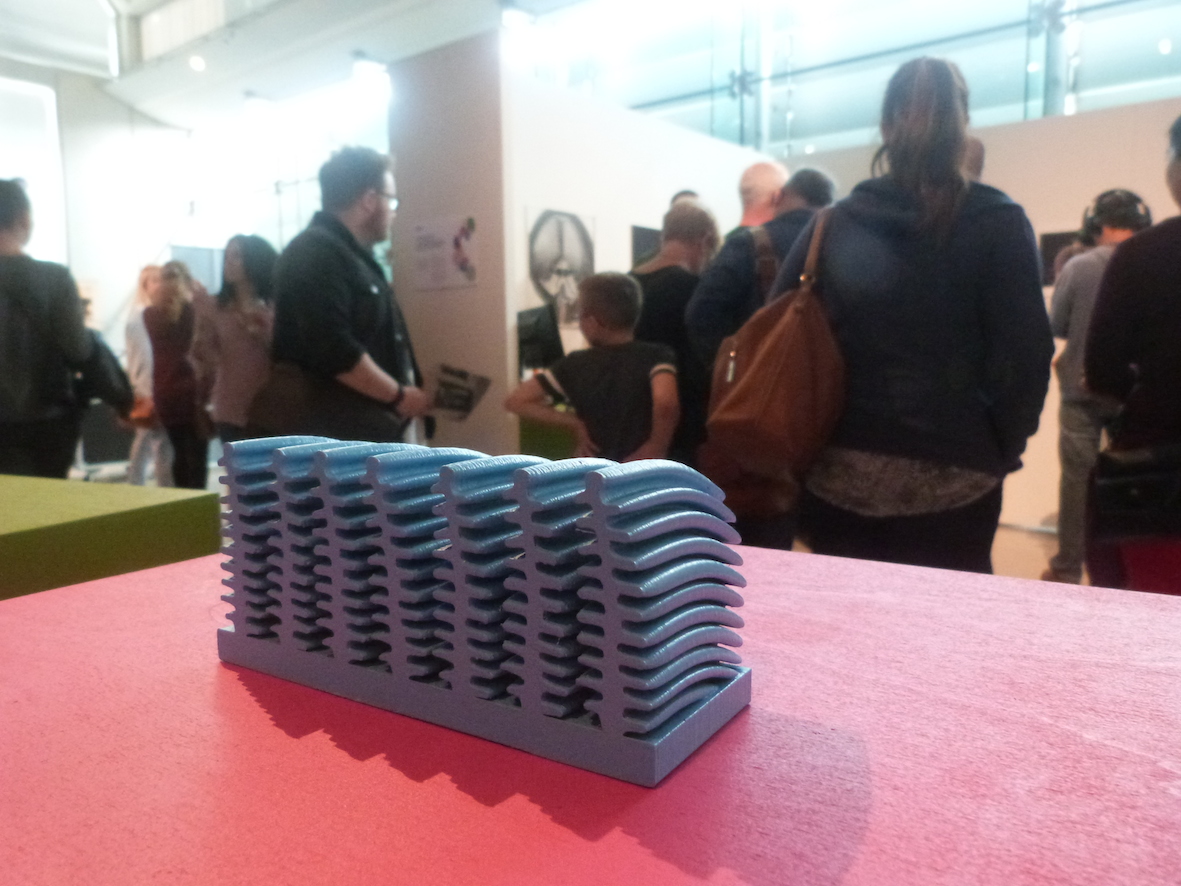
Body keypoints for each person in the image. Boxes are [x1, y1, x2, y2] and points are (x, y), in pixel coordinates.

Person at [774, 57, 1053, 574]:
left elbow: (776, 332)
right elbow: (1027, 356)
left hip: (838, 471)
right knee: (947, 624)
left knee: (845, 620)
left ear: (885, 127)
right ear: (962, 126)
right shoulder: (998, 222)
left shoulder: (834, 224)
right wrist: (1000, 447)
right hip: (958, 476)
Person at [248, 146, 429, 441]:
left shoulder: (350, 256)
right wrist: (398, 396)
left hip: (352, 433)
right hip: (331, 440)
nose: (393, 212)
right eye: (391, 200)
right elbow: (334, 350)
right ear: (369, 200)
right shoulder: (315, 252)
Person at [1083, 114, 1181, 594]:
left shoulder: (1143, 255)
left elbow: (1101, 368)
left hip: (1160, 467)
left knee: (1153, 612)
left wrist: (1143, 394)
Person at [1042, 190, 1152, 584]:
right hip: (1133, 394)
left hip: (1080, 392)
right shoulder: (1152, 264)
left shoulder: (1079, 266)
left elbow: (1057, 325)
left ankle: (1068, 567)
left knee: (1077, 483)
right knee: (1133, 484)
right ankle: (1126, 571)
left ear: (1096, 224)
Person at [505, 272, 679, 463]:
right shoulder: (657, 355)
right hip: (641, 468)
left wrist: (575, 423)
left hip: (594, 466)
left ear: (592, 322)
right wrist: (657, 445)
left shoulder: (574, 364)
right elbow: (665, 402)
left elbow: (516, 401)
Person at [686, 168, 835, 366]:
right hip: (830, 376)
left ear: (778, 197)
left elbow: (701, 312)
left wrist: (731, 366)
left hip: (762, 373)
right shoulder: (844, 247)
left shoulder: (749, 243)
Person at [0, 178, 93, 478]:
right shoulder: (55, 279)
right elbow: (78, 350)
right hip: (48, 422)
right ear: (24, 220)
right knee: (46, 503)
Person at [632, 200, 720, 466]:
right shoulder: (695, 291)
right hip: (677, 431)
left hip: (625, 423)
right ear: (705, 240)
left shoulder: (626, 285)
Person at [191, 235, 278, 445]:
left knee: (272, 465)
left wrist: (263, 331)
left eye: (237, 256)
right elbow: (206, 359)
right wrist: (201, 324)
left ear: (255, 260)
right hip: (229, 406)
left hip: (270, 404)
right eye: (227, 256)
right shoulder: (216, 307)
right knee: (238, 466)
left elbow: (289, 352)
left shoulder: (274, 305)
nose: (228, 263)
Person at [144, 261, 210, 489]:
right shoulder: (193, 312)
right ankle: (199, 500)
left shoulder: (150, 315)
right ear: (187, 282)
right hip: (192, 390)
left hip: (165, 390)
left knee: (179, 452)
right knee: (198, 455)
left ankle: (183, 499)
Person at [125, 265, 174, 486]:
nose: (159, 285)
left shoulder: (151, 314)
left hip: (156, 383)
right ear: (145, 286)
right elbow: (144, 355)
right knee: (146, 437)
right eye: (154, 281)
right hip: (147, 384)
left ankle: (159, 483)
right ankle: (137, 483)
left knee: (155, 439)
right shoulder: (141, 315)